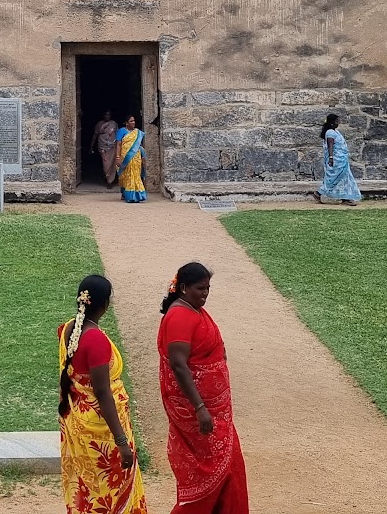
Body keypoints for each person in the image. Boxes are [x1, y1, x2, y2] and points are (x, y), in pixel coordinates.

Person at [158, 263, 248, 514]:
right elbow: (178, 365)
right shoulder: (179, 316)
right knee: (207, 473)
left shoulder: (194, 310)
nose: (205, 293)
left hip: (215, 410)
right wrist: (200, 408)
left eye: (208, 288)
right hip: (198, 411)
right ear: (184, 288)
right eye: (200, 288)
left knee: (229, 465)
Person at [58, 274, 146, 514]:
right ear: (105, 304)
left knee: (88, 488)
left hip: (78, 421)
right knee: (111, 491)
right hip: (102, 432)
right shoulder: (96, 339)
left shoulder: (69, 329)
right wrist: (121, 442)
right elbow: (102, 392)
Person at [314, 112, 361, 205]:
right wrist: (331, 157)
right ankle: (320, 192)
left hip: (342, 159)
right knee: (335, 177)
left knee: (344, 178)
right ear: (331, 123)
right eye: (336, 121)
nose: (338, 123)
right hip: (336, 159)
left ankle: (345, 197)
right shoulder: (330, 133)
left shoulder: (336, 132)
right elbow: (330, 145)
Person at [115, 114, 147, 203]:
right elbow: (118, 144)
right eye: (131, 121)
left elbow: (139, 145)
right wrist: (117, 157)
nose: (133, 123)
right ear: (126, 123)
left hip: (136, 156)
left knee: (136, 174)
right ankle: (127, 194)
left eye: (134, 121)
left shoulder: (137, 132)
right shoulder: (121, 131)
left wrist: (143, 155)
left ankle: (137, 195)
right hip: (125, 156)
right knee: (126, 175)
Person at [93, 110, 120, 186]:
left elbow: (117, 134)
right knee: (106, 164)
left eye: (109, 115)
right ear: (103, 115)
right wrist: (91, 146)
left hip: (112, 147)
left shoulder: (114, 124)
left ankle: (110, 181)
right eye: (106, 114)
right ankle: (107, 177)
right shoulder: (99, 124)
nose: (107, 116)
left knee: (112, 163)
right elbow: (95, 135)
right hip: (103, 147)